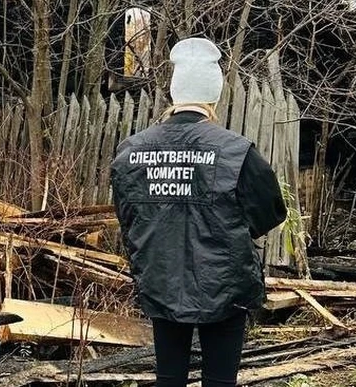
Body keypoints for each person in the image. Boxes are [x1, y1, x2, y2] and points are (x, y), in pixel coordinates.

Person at [110, 37, 288, 387]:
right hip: (225, 285)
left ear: (176, 94)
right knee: (220, 382)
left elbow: (128, 216)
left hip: (160, 279)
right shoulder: (236, 152)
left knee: (169, 378)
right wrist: (227, 229)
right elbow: (269, 213)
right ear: (214, 96)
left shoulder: (131, 152)